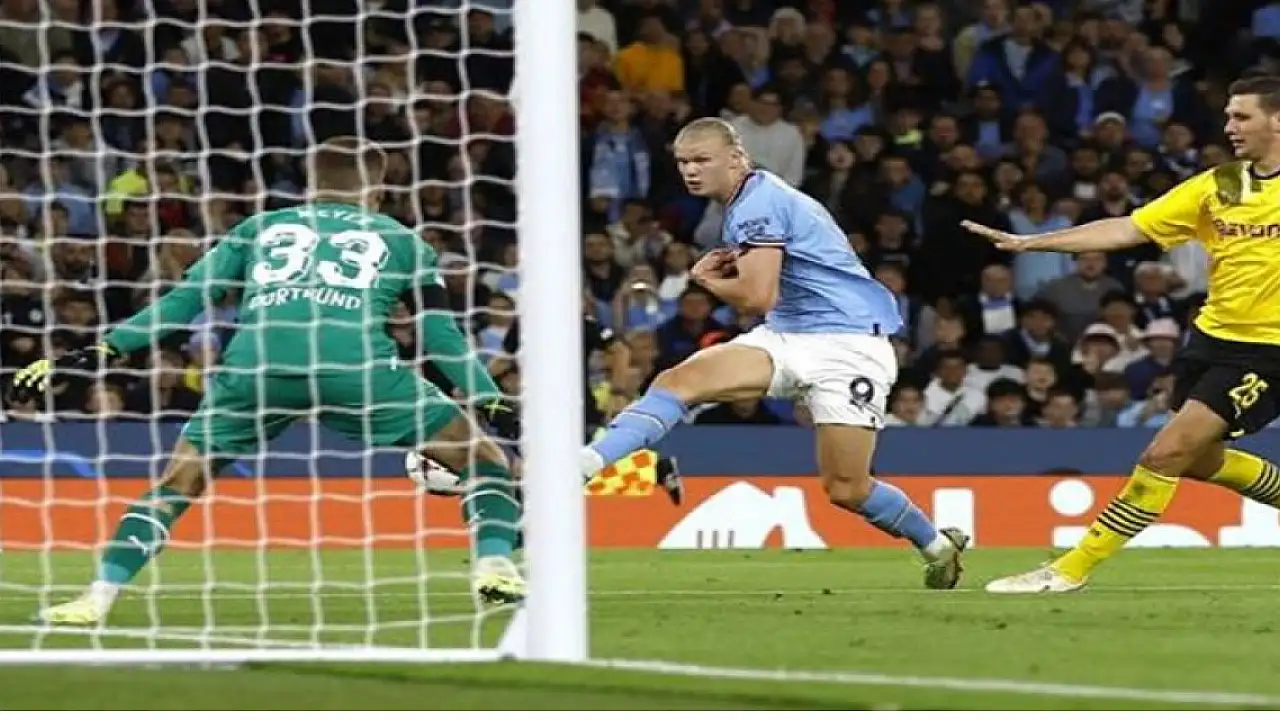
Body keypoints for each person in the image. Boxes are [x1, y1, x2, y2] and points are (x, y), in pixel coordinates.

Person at [10, 137, 526, 624]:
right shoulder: (403, 240)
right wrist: (489, 397)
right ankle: (494, 567)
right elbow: (439, 336)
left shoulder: (259, 228)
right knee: (483, 460)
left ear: (310, 183)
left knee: (176, 485)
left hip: (254, 371)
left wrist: (103, 349)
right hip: (356, 372)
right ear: (378, 188)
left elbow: (184, 302)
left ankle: (95, 598)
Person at [579, 117, 970, 589]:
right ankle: (585, 465)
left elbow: (756, 296)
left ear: (735, 158)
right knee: (677, 383)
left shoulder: (758, 203)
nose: (691, 171)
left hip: (848, 347)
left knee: (847, 488)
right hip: (788, 334)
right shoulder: (752, 198)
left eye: (702, 160)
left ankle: (935, 544)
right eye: (683, 162)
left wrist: (706, 281)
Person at [963, 76, 1280, 593]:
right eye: (1228, 115)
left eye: (1242, 116)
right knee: (1200, 460)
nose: (1229, 126)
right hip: (1210, 340)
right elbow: (1130, 228)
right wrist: (1032, 243)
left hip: (1268, 351)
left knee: (1165, 454)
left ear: (1277, 119)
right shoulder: (1219, 185)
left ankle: (1070, 569)